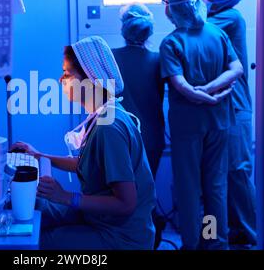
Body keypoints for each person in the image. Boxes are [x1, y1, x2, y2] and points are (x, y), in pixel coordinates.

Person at [11, 36, 156, 250]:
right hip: (99, 219)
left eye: (67, 73)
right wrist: (40, 156)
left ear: (91, 80)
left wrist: (65, 197)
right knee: (38, 208)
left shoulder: (109, 127)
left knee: (34, 243)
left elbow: (126, 203)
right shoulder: (103, 115)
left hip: (120, 237)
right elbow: (90, 163)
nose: (61, 80)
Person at [160, 0, 244, 250]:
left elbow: (180, 84)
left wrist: (202, 92)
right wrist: (212, 92)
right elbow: (236, 68)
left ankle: (193, 243)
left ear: (172, 9)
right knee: (215, 186)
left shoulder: (172, 42)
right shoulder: (217, 34)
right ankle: (213, 242)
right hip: (218, 122)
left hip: (188, 126)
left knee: (189, 188)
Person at [204, 0, 256, 247]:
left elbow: (199, 27)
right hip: (221, 110)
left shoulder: (230, 18)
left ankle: (252, 234)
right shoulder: (223, 16)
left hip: (236, 108)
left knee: (238, 171)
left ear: (217, 0)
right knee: (219, 176)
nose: (203, 1)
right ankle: (227, 231)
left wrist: (180, 7)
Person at [112, 4, 166, 249]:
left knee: (117, 192)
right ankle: (148, 239)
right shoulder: (158, 60)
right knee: (145, 191)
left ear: (123, 30)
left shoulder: (110, 57)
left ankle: (120, 239)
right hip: (151, 136)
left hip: (118, 135)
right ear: (149, 32)